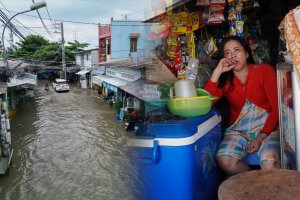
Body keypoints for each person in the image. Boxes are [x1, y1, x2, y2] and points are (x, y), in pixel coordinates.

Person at [203, 36, 280, 175]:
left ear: (247, 53)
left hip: (268, 129)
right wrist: (217, 72)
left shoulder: (264, 71)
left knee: (270, 162)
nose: (232, 55)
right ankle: (251, 184)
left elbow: (277, 109)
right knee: (225, 161)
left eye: (236, 50)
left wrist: (260, 137)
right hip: (239, 131)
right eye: (227, 53)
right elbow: (204, 104)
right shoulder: (225, 80)